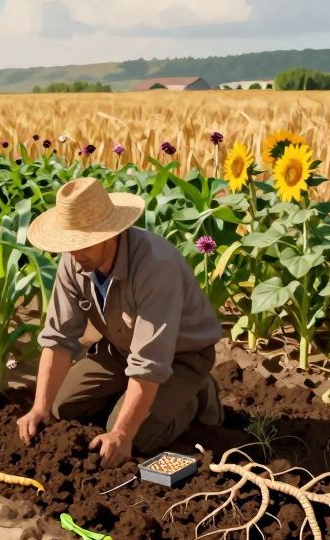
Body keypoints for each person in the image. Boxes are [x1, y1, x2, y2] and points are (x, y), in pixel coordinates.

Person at [17, 177, 224, 468]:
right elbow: (58, 339)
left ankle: (198, 395)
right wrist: (39, 408)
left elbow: (149, 362)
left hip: (180, 355)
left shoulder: (155, 266)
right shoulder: (74, 260)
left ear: (111, 233)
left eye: (83, 242)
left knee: (137, 439)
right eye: (69, 244)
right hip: (122, 347)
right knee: (61, 407)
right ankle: (134, 398)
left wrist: (122, 432)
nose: (74, 254)